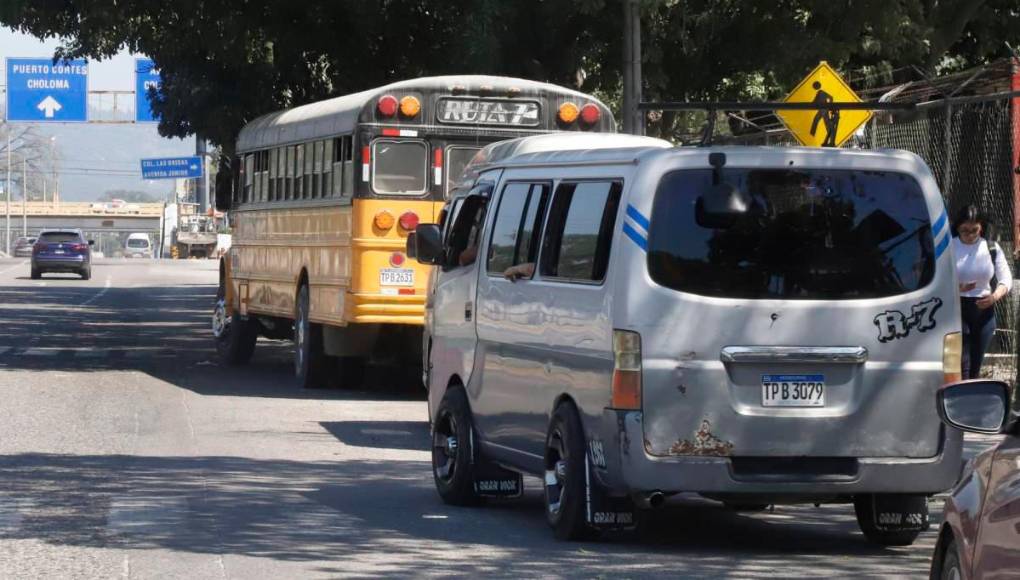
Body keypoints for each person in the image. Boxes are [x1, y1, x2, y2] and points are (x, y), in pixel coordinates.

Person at [952, 205, 1012, 379]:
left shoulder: (991, 248)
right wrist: (957, 288)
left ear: (982, 228)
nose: (970, 235)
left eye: (974, 230)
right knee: (963, 362)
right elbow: (932, 274)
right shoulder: (949, 246)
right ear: (957, 227)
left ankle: (971, 398)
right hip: (957, 307)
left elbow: (1006, 278)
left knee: (975, 365)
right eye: (965, 230)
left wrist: (994, 297)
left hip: (984, 309)